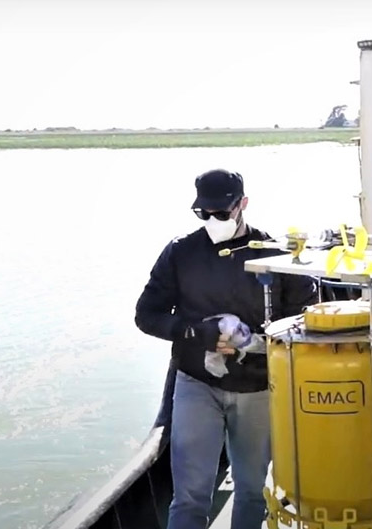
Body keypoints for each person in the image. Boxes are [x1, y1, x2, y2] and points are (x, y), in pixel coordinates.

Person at [134, 169, 318, 529]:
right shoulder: (180, 253)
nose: (212, 221)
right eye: (203, 214)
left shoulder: (276, 256)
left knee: (250, 490)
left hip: (258, 389)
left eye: (222, 213)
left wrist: (259, 342)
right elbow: (146, 315)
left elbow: (304, 320)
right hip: (196, 384)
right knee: (189, 497)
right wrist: (194, 332)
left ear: (242, 205)